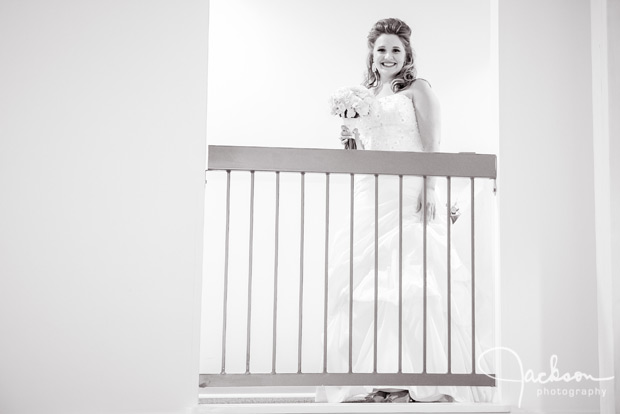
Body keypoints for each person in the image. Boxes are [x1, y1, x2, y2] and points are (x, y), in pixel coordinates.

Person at [316, 18, 495, 403]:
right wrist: (350, 134)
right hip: (370, 191)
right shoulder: (362, 95)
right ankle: (376, 379)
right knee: (367, 279)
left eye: (396, 49)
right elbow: (363, 151)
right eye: (381, 49)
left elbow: (432, 142)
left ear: (407, 54)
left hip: (408, 188)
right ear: (372, 53)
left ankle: (418, 379)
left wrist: (430, 187)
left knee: (413, 277)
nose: (388, 56)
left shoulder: (418, 89)